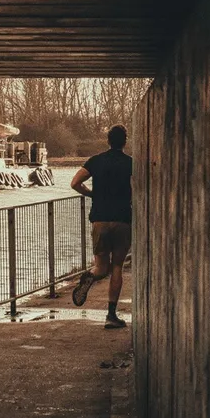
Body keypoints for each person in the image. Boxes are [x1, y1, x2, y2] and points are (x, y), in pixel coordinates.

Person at [70, 123, 131, 328]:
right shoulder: (130, 163)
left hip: (100, 219)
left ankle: (91, 276)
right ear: (125, 142)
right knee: (117, 267)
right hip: (122, 219)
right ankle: (111, 316)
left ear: (108, 141)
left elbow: (75, 183)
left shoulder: (96, 161)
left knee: (102, 268)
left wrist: (91, 194)